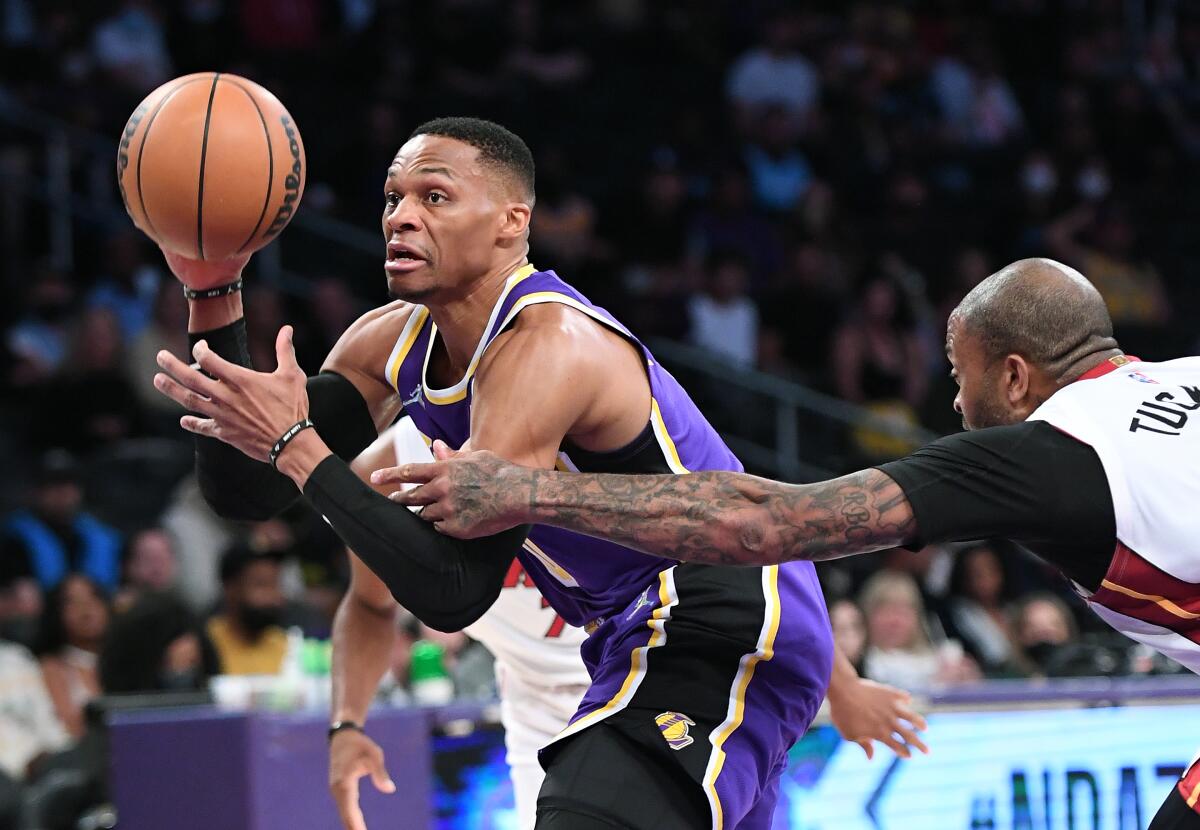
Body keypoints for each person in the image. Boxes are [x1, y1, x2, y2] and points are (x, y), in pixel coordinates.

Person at [150, 117, 918, 829]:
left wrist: (297, 444)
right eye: (392, 197)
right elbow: (247, 489)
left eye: (435, 195)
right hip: (624, 633)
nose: (400, 216)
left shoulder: (544, 343)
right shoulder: (390, 340)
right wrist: (214, 286)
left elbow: (455, 587)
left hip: (718, 612)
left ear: (511, 222)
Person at [382, 257, 1200, 828]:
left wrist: (527, 491)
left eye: (962, 376)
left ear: (1016, 377)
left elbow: (764, 526)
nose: (955, 403)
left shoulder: (1041, 455)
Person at [331, 419, 929, 830]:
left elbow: (745, 538)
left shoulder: (576, 425)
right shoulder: (391, 471)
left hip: (659, 670)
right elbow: (368, 604)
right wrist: (347, 724)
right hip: (541, 707)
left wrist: (842, 687)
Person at [0, 450, 122, 596]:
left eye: (68, 484)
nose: (62, 493)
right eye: (52, 485)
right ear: (36, 492)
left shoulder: (101, 534)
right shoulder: (12, 539)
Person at [34, 574, 109, 738]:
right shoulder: (52, 667)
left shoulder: (126, 660)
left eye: (93, 598)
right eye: (72, 602)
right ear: (57, 613)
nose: (86, 609)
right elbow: (70, 728)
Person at [206, 545, 287, 676]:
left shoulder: (287, 646)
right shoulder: (206, 644)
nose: (273, 596)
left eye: (276, 584)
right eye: (261, 585)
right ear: (230, 588)